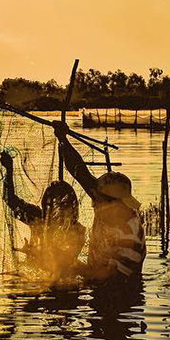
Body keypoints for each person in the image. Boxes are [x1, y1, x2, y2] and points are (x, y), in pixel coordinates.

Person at [51, 120, 146, 285]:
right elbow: (79, 171)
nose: (94, 202)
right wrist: (63, 139)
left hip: (120, 296)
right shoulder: (105, 203)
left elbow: (104, 276)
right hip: (96, 284)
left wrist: (70, 262)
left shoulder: (129, 237)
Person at [0, 150, 86, 282]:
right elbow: (10, 200)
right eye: (53, 204)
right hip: (37, 275)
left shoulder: (78, 231)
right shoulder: (37, 218)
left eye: (63, 205)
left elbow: (65, 261)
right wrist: (9, 171)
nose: (58, 211)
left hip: (63, 281)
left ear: (72, 207)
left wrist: (36, 252)